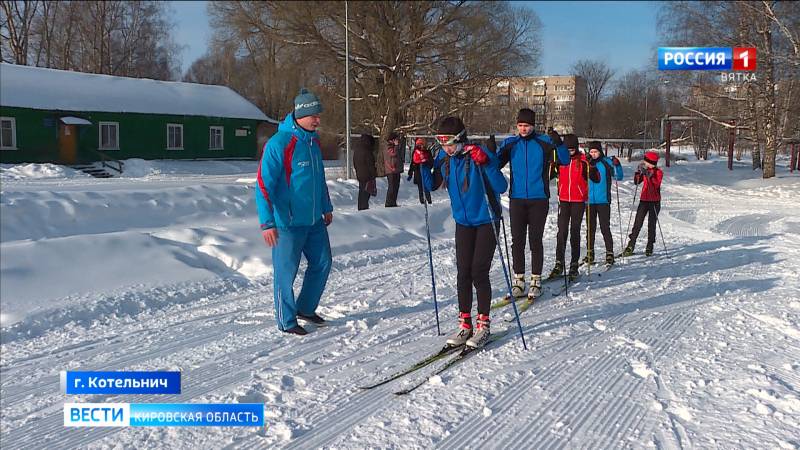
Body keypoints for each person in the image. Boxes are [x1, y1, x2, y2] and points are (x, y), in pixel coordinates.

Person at [418, 116, 507, 349]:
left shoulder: (477, 155)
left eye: (449, 143)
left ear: (460, 139)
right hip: (463, 222)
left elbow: (502, 187)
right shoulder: (444, 159)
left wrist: (487, 162)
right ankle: (465, 323)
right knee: (463, 272)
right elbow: (430, 185)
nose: (446, 148)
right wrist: (423, 164)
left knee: (479, 271)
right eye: (442, 143)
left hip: (487, 219)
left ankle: (483, 325)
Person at [255, 88, 333, 336]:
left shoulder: (312, 142)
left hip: (314, 221)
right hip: (287, 223)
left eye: (318, 115)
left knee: (323, 263)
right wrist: (267, 223)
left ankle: (306, 308)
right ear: (302, 114)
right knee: (285, 273)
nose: (318, 119)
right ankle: (286, 321)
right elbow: (263, 185)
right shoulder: (279, 144)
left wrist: (326, 206)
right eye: (314, 115)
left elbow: (318, 179)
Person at [496, 109, 570, 299]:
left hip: (539, 199)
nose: (523, 129)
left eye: (526, 125)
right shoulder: (511, 144)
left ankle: (536, 279)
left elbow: (564, 160)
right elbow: (494, 165)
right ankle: (519, 280)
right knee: (517, 241)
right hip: (517, 199)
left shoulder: (544, 142)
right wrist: (490, 151)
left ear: (533, 125)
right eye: (520, 125)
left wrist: (560, 144)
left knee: (535, 240)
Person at [548, 135, 599, 281]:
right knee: (562, 231)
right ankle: (559, 263)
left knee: (574, 231)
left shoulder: (583, 161)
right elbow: (549, 175)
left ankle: (574, 264)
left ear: (576, 148)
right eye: (567, 149)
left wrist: (592, 166)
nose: (569, 152)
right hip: (563, 199)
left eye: (572, 149)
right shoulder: (561, 159)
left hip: (578, 200)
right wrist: (552, 163)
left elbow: (596, 178)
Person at [586, 141, 624, 266]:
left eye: (595, 152)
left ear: (600, 152)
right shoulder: (587, 163)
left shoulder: (606, 162)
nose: (593, 154)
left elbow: (618, 177)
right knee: (590, 228)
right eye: (591, 152)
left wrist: (617, 165)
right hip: (589, 201)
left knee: (604, 227)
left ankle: (609, 253)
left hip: (603, 200)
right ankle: (590, 253)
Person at [624, 151, 664, 257]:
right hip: (644, 200)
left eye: (646, 161)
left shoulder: (658, 172)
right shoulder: (644, 169)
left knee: (651, 224)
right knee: (637, 223)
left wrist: (649, 175)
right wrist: (638, 172)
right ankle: (631, 245)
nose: (644, 163)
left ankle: (650, 245)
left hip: (654, 201)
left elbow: (656, 184)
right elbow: (637, 182)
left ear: (652, 162)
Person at [353, 133, 377, 211]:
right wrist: (374, 175)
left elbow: (354, 162)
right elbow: (370, 165)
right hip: (367, 175)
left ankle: (360, 207)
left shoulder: (357, 150)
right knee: (366, 193)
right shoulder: (367, 151)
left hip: (360, 174)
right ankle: (364, 208)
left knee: (361, 191)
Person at [407, 137, 433, 204]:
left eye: (421, 144)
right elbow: (413, 163)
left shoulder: (427, 151)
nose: (420, 146)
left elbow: (431, 162)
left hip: (425, 172)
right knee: (420, 188)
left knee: (426, 187)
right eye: (419, 144)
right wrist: (410, 172)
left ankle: (429, 201)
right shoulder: (415, 152)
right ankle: (422, 202)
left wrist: (426, 163)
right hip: (418, 171)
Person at [384, 132, 404, 207]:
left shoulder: (395, 146)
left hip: (396, 169)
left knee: (396, 186)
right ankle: (388, 203)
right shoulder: (387, 146)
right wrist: (396, 146)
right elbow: (393, 153)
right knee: (391, 187)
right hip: (391, 169)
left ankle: (393, 202)